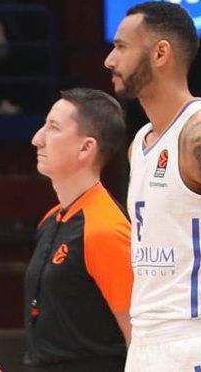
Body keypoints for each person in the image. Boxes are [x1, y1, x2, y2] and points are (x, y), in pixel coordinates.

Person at [105, 1, 201, 370]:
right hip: (146, 342)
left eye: (122, 47)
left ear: (161, 53)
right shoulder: (139, 143)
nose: (110, 60)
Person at [24, 89, 132, 372]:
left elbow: (138, 338)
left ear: (86, 148)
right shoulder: (50, 220)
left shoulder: (105, 228)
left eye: (53, 127)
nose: (37, 138)